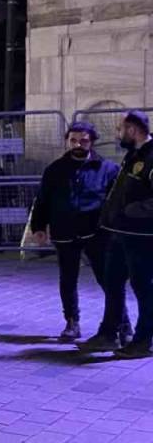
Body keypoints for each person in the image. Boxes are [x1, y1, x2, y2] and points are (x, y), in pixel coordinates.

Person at [31, 121, 122, 342]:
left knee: (108, 280)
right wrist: (39, 227)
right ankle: (72, 322)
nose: (78, 144)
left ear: (92, 141)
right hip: (64, 232)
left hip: (96, 233)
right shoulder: (54, 170)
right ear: (67, 141)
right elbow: (42, 200)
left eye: (83, 140)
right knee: (68, 279)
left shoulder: (108, 169)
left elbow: (117, 202)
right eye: (73, 140)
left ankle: (122, 324)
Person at [83, 111, 152, 357]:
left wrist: (134, 210)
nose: (117, 134)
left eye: (119, 129)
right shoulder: (133, 155)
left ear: (132, 130)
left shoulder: (151, 156)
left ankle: (144, 341)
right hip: (119, 233)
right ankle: (108, 334)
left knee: (143, 288)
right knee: (112, 283)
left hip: (142, 237)